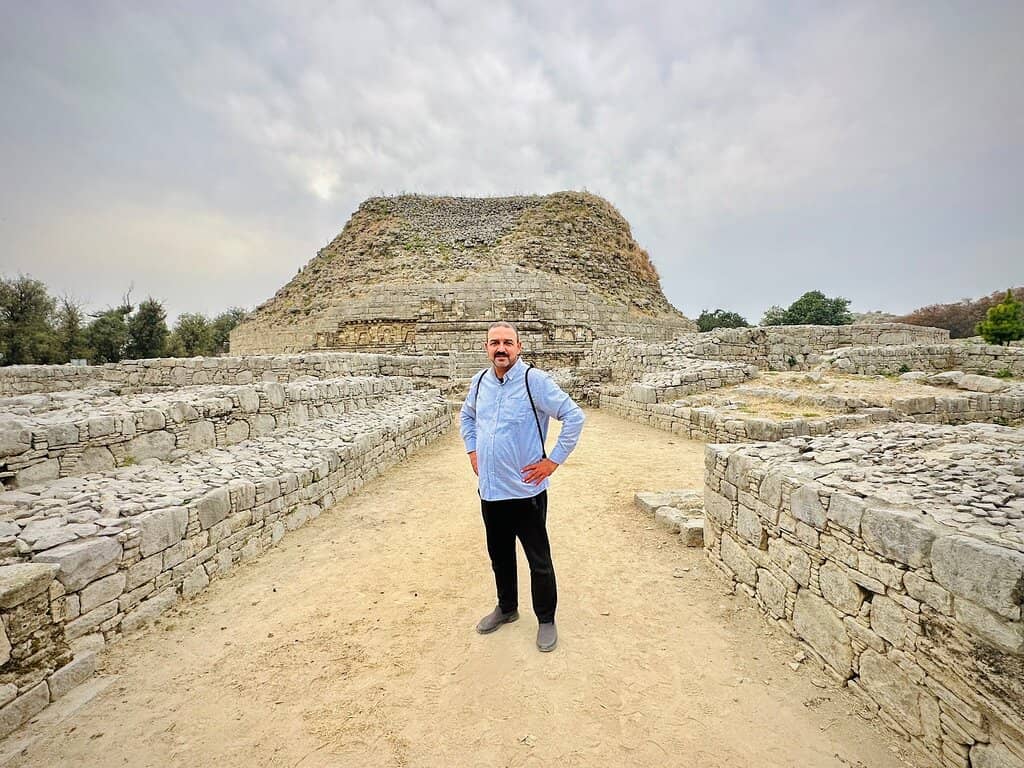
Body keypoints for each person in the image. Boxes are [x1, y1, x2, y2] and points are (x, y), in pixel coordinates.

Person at [459, 320, 586, 652]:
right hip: (491, 489)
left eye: (507, 343)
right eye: (494, 343)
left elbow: (574, 416)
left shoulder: (535, 381)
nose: (501, 348)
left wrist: (552, 461)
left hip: (526, 492)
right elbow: (467, 416)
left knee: (538, 559)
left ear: (519, 346)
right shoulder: (480, 382)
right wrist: (472, 450)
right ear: (486, 348)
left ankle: (545, 618)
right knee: (499, 556)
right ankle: (507, 607)